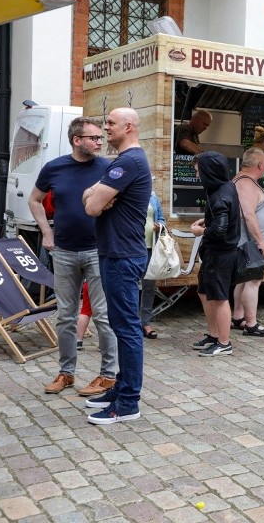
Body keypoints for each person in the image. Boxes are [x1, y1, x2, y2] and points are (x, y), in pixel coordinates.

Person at [29, 116, 118, 398]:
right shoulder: (54, 168)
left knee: (103, 316)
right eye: (94, 138)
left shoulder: (108, 167)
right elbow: (34, 199)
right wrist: (46, 232)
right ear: (77, 140)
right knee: (66, 315)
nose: (100, 142)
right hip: (64, 251)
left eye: (101, 137)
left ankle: (107, 375)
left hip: (98, 250)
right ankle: (66, 373)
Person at [82, 107, 152, 425]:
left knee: (126, 330)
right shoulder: (122, 162)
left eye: (110, 123)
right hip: (118, 253)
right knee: (123, 327)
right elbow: (89, 197)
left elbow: (93, 205)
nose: (105, 128)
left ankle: (128, 402)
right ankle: (121, 389)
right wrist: (95, 196)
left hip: (122, 256)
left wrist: (97, 197)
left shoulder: (128, 161)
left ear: (129, 126)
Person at [190, 151, 241, 356]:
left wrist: (200, 231)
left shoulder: (219, 195)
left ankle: (224, 342)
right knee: (204, 292)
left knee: (219, 297)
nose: (197, 175)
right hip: (218, 252)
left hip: (220, 253)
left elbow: (219, 231)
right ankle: (213, 335)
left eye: (198, 171)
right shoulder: (227, 187)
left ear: (208, 171)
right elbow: (223, 220)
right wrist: (209, 222)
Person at [232, 147, 264, 336]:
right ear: (260, 165)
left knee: (245, 280)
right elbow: (249, 215)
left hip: (249, 242)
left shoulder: (244, 181)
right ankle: (251, 324)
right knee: (254, 280)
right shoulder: (245, 183)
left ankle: (238, 316)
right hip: (252, 243)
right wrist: (260, 241)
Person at [140, 188, 165, 339]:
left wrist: (159, 225)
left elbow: (161, 218)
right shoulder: (124, 193)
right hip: (130, 249)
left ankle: (145, 323)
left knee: (148, 287)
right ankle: (127, 323)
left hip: (150, 248)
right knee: (129, 288)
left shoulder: (153, 197)